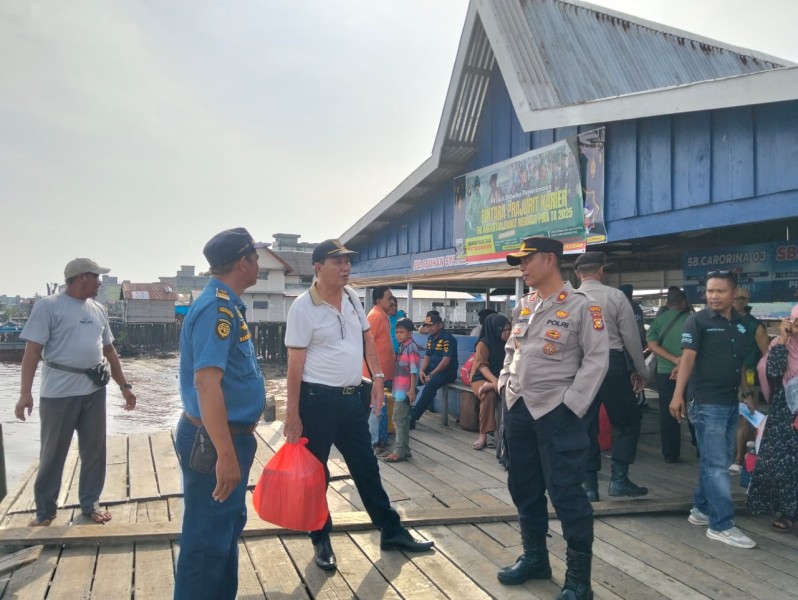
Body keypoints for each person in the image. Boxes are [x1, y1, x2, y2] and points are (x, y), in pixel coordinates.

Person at [283, 238, 433, 573]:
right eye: (338, 262)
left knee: (366, 467)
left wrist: (378, 377)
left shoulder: (352, 298)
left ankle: (391, 531)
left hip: (352, 400)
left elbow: (367, 339)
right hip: (316, 403)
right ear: (319, 267)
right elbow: (294, 364)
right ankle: (320, 537)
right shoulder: (302, 307)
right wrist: (291, 415)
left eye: (348, 261)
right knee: (315, 475)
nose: (346, 267)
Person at [495, 237, 608, 599]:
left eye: (527, 261)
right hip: (519, 408)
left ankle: (579, 580)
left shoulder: (582, 307)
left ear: (549, 259)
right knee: (524, 488)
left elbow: (596, 359)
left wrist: (573, 404)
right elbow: (512, 348)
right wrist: (503, 384)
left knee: (566, 493)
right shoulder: (524, 305)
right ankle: (535, 558)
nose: (522, 268)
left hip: (557, 412)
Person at [174, 228, 267, 598]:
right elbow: (206, 385)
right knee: (207, 540)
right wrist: (226, 455)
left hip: (223, 437)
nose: (259, 263)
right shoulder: (217, 308)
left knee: (223, 530)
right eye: (256, 257)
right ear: (242, 262)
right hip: (214, 442)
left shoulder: (225, 303)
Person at [16, 258, 136, 528]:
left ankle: (90, 504)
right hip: (58, 393)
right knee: (53, 453)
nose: (100, 282)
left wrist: (125, 386)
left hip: (94, 391)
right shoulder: (49, 306)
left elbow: (109, 351)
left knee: (94, 450)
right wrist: (25, 394)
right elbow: (32, 352)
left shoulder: (98, 309)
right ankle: (45, 512)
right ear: (82, 277)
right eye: (96, 277)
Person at [670, 270, 757, 549]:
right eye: (710, 291)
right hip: (707, 403)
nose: (714, 296)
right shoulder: (697, 321)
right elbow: (687, 359)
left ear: (734, 294)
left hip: (731, 401)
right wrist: (677, 394)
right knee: (718, 465)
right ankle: (720, 525)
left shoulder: (742, 325)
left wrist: (746, 392)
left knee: (714, 461)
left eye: (720, 291)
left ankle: (702, 509)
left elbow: (739, 362)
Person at [575, 252, 648, 500]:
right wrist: (641, 370)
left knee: (585, 424)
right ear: (601, 271)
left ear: (577, 274)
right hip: (612, 365)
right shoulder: (616, 296)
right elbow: (631, 338)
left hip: (581, 366)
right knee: (627, 422)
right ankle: (618, 479)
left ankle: (589, 485)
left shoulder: (570, 299)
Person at [747, 306, 798, 532]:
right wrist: (784, 337)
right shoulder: (780, 343)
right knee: (782, 464)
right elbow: (774, 371)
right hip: (784, 412)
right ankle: (787, 511)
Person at [646, 287, 690, 462]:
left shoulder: (659, 321)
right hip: (690, 372)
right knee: (694, 409)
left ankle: (670, 454)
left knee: (667, 413)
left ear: (667, 303)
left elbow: (652, 345)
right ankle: (700, 447)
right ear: (683, 302)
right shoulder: (691, 319)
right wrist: (682, 361)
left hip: (665, 372)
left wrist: (673, 359)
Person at [729, 288, 770, 473]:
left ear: (747, 301)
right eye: (734, 298)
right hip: (721, 377)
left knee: (742, 420)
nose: (736, 301)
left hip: (748, 378)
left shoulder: (755, 325)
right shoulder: (722, 320)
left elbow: (767, 355)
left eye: (740, 299)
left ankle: (739, 459)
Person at [409, 311, 458, 429]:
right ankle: (406, 410)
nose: (429, 328)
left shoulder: (448, 339)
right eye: (428, 325)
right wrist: (421, 371)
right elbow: (427, 356)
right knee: (411, 379)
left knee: (430, 384)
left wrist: (431, 374)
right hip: (433, 369)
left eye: (432, 325)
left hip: (447, 372)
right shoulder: (431, 338)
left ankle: (413, 417)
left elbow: (446, 361)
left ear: (440, 325)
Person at [469, 313, 510, 450]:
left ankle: (505, 435)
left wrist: (497, 383)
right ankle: (483, 435)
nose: (507, 333)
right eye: (503, 330)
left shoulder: (509, 343)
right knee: (489, 395)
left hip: (501, 378)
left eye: (509, 329)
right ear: (495, 329)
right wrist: (495, 382)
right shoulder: (484, 344)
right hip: (480, 378)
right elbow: (482, 366)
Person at [383, 318, 421, 463]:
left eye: (402, 332)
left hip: (405, 391)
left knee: (399, 420)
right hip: (398, 389)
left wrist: (412, 390)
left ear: (410, 333)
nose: (398, 335)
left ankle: (399, 450)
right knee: (401, 419)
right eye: (397, 332)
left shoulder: (411, 347)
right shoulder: (402, 347)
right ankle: (404, 449)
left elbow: (413, 370)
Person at [364, 286, 396, 456]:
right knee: (375, 407)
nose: (392, 301)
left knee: (380, 406)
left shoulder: (382, 316)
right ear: (378, 301)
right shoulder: (375, 317)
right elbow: (364, 342)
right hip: (374, 374)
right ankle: (374, 443)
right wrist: (372, 372)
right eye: (389, 298)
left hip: (381, 374)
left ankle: (379, 440)